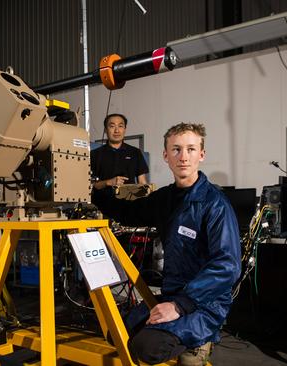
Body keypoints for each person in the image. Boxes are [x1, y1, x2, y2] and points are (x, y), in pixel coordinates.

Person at [93, 123, 241, 366]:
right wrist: (95, 190)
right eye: (176, 149)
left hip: (204, 302)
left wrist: (180, 305)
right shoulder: (165, 198)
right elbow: (128, 212)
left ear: (201, 155)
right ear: (165, 156)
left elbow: (227, 266)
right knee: (115, 332)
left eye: (191, 149)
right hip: (173, 294)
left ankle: (200, 343)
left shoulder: (215, 205)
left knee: (148, 348)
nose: (183, 157)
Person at [91, 113, 149, 194]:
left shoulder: (135, 152)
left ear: (125, 129)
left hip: (130, 203)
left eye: (120, 126)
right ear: (105, 130)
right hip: (102, 204)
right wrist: (108, 182)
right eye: (112, 126)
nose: (117, 130)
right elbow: (91, 185)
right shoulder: (94, 154)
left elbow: (142, 182)